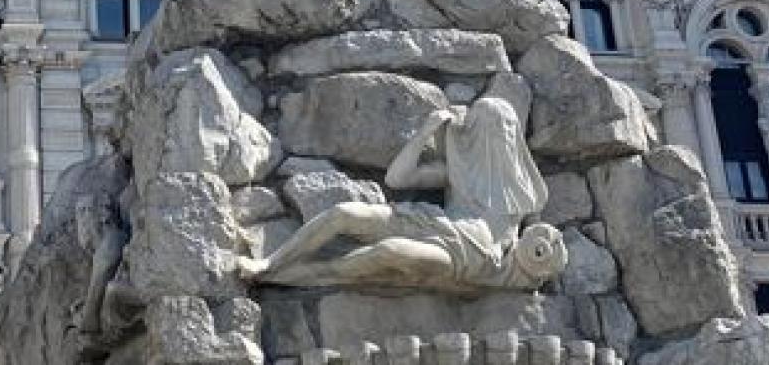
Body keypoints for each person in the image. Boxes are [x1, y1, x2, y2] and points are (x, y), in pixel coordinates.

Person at [237, 97, 566, 292]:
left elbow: (532, 252)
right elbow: (397, 179)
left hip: (468, 260)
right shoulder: (460, 171)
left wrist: (527, 255)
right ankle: (270, 261)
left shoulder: (527, 193)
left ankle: (297, 276)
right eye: (489, 125)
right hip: (435, 223)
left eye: (505, 128)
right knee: (345, 214)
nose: (498, 136)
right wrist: (426, 132)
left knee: (387, 251)